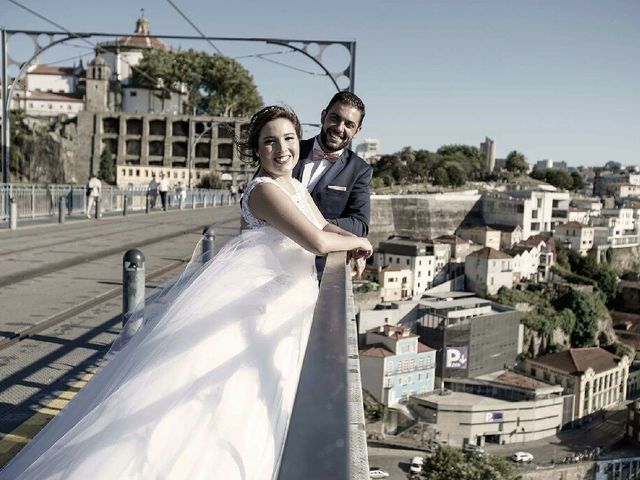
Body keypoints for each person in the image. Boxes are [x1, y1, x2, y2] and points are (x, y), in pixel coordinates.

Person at [0, 105, 372, 480]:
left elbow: (323, 223)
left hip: (289, 305)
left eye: (289, 139)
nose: (282, 149)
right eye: (270, 142)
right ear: (256, 150)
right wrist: (362, 244)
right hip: (262, 308)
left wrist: (353, 239)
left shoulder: (293, 185)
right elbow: (315, 241)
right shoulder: (265, 190)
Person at [292, 91, 373, 276]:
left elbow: (360, 223)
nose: (339, 128)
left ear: (357, 131)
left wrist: (312, 226)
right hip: (269, 257)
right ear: (323, 116)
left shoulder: (360, 170)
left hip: (318, 267)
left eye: (349, 124)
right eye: (335, 118)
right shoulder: (290, 149)